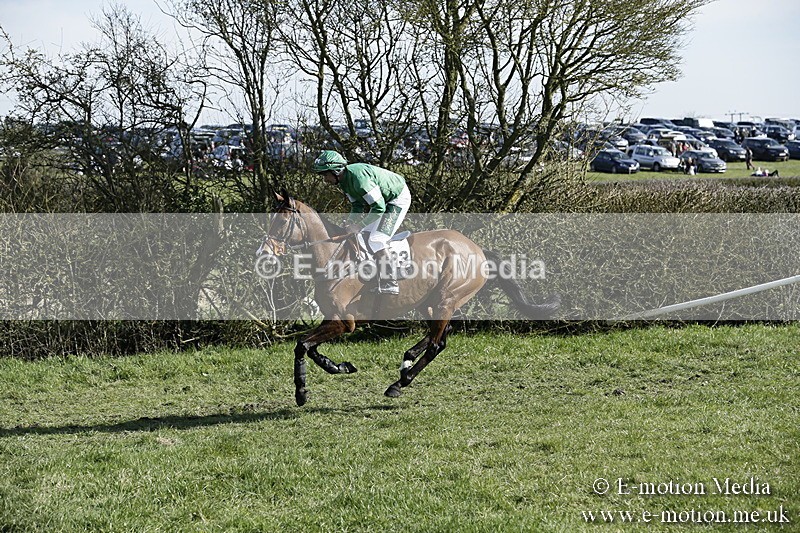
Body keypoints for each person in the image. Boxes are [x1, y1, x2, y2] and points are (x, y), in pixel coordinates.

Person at [312, 150, 412, 295]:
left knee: (377, 239)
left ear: (336, 171)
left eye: (325, 175)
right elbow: (357, 206)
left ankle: (390, 280)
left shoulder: (359, 180)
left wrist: (358, 225)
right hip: (383, 202)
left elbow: (379, 208)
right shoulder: (344, 182)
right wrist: (350, 222)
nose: (325, 180)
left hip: (397, 200)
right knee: (361, 236)